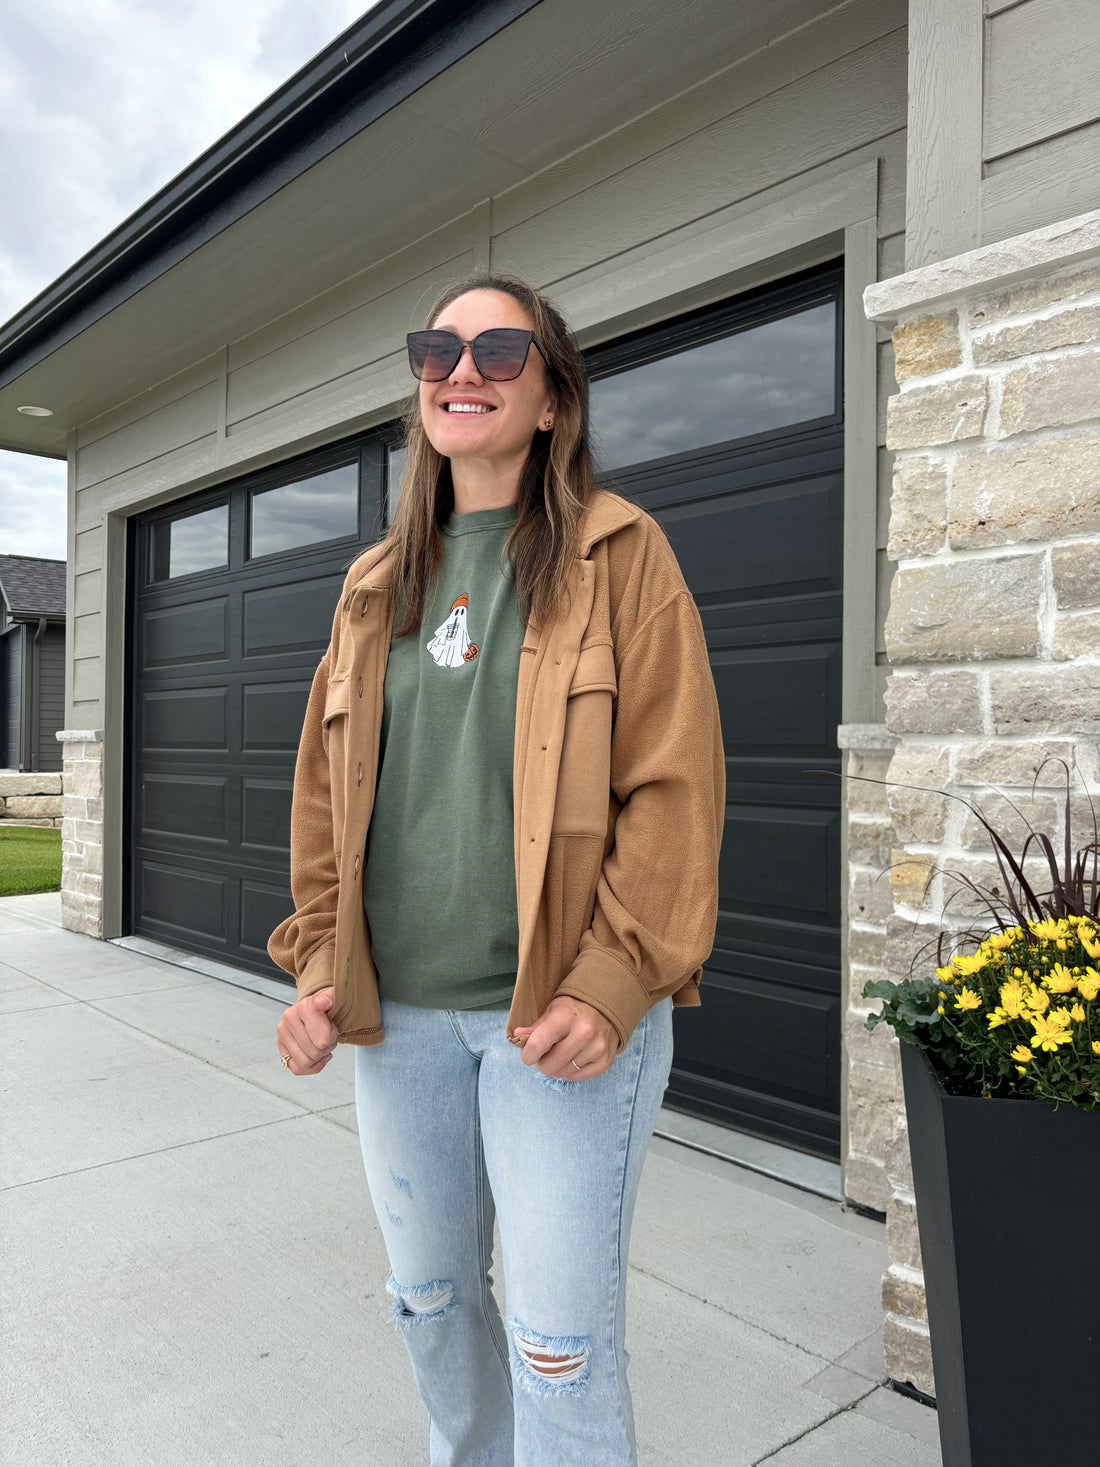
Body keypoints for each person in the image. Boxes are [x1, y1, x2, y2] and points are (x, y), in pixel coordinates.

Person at [269, 274, 724, 1466]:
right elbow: (326, 805)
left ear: (553, 400)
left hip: (555, 1028)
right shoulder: (372, 589)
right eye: (436, 351)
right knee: (428, 1303)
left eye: (499, 350)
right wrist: (319, 964)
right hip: (398, 1023)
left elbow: (672, 788)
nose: (460, 371)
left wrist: (611, 981)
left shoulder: (621, 557)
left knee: (557, 1345)